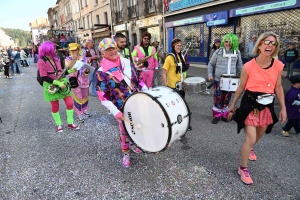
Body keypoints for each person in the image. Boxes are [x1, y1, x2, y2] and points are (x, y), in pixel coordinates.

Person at [228, 31, 286, 185]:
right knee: (251, 138)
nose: (270, 45)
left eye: (273, 43)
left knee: (260, 134)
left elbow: (278, 87)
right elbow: (241, 86)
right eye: (267, 42)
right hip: (250, 103)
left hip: (267, 105)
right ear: (259, 44)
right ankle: (243, 168)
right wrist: (233, 104)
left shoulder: (278, 66)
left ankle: (250, 147)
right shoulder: (248, 66)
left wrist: (283, 108)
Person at [95, 38, 147, 167]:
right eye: (108, 49)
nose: (112, 51)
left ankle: (135, 144)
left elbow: (138, 79)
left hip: (136, 100)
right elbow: (102, 95)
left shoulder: (126, 62)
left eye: (113, 48)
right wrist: (115, 111)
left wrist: (147, 92)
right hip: (120, 106)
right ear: (102, 53)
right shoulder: (102, 71)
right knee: (124, 130)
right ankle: (126, 153)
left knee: (137, 124)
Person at [37, 41, 79, 132]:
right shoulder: (41, 61)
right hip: (51, 84)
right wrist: (58, 83)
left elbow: (61, 73)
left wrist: (72, 70)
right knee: (55, 106)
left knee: (70, 103)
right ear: (48, 49)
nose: (56, 50)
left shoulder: (57, 59)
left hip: (61, 82)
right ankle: (58, 124)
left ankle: (70, 123)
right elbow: (44, 76)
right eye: (54, 48)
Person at [208, 33, 243, 124]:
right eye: (226, 41)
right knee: (218, 98)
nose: (227, 43)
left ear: (233, 42)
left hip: (231, 80)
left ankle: (224, 114)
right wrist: (210, 74)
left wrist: (241, 77)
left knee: (227, 98)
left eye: (230, 42)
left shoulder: (237, 52)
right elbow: (211, 64)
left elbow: (239, 66)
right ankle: (217, 115)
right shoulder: (218, 51)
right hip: (219, 80)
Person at [162, 38, 192, 131]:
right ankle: (174, 124)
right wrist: (166, 86)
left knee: (182, 105)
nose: (179, 47)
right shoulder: (169, 57)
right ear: (173, 46)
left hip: (180, 85)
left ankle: (183, 123)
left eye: (180, 45)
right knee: (174, 107)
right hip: (172, 86)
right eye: (177, 45)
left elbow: (181, 72)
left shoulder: (180, 56)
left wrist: (183, 81)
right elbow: (163, 73)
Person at [66, 43, 91, 123]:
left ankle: (85, 109)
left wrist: (87, 71)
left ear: (78, 50)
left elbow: (87, 70)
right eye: (72, 50)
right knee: (77, 97)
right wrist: (73, 59)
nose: (74, 52)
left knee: (85, 96)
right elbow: (69, 69)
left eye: (75, 50)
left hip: (84, 80)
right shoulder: (68, 59)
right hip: (75, 81)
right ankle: (79, 113)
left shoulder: (84, 58)